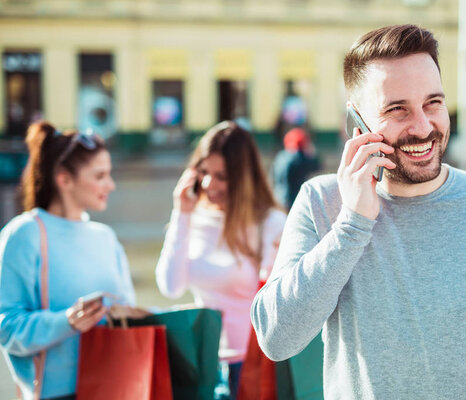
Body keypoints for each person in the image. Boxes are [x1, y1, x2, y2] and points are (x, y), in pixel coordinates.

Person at [251, 24, 466, 399]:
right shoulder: (321, 203)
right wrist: (351, 225)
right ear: (356, 122)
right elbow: (277, 339)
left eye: (433, 103)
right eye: (397, 109)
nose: (423, 127)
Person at [0, 121, 136, 400]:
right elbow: (6, 326)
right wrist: (67, 321)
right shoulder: (24, 234)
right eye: (100, 176)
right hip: (55, 394)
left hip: (118, 387)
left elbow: (127, 311)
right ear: (64, 179)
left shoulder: (105, 237)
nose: (110, 185)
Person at [155, 121, 286, 398]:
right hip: (199, 364)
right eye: (203, 172)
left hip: (252, 366)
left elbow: (281, 308)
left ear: (243, 177)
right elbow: (170, 286)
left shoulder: (270, 223)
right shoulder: (193, 218)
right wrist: (182, 213)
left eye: (221, 176)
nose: (208, 184)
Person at [272, 127, 320, 211]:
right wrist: (311, 152)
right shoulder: (300, 158)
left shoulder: (280, 156)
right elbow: (316, 166)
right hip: (293, 200)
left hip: (279, 197)